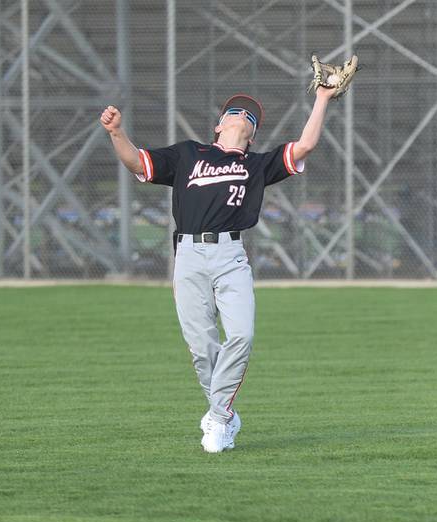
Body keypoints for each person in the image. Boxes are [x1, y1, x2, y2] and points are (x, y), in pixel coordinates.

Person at [100, 83, 345, 453]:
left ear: (253, 133)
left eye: (250, 116)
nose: (241, 116)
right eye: (234, 111)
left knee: (242, 336)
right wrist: (117, 132)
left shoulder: (257, 165)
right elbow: (138, 162)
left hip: (231, 257)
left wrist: (323, 99)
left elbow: (305, 145)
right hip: (188, 255)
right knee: (201, 348)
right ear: (217, 125)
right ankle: (224, 413)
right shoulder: (188, 155)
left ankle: (218, 417)